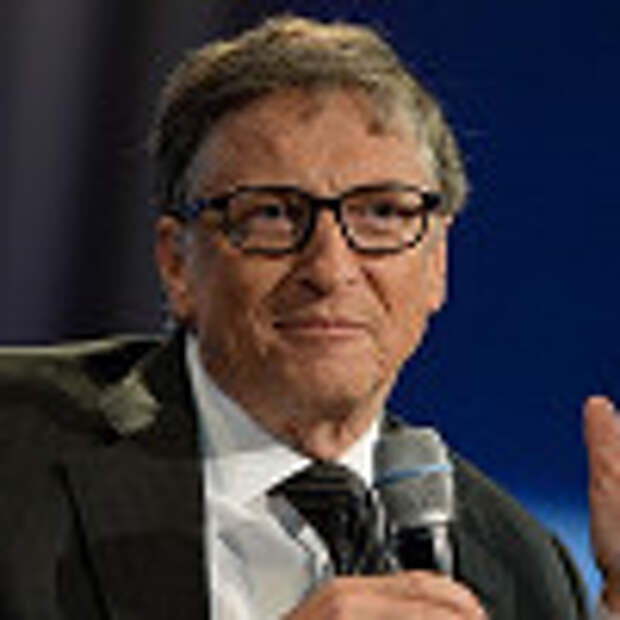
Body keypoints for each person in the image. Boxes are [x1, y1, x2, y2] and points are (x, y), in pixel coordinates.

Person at [0, 14, 618, 619]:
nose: (329, 269)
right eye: (271, 213)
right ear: (177, 263)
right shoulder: (16, 441)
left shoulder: (522, 567)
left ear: (437, 264)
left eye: (382, 212)